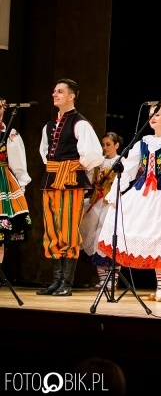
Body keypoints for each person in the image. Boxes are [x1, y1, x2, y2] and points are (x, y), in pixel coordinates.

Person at [97, 101, 161, 301]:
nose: (153, 117)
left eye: (158, 114)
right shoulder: (142, 142)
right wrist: (116, 191)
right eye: (151, 114)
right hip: (143, 192)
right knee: (122, 218)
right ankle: (113, 279)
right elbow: (128, 168)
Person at [37, 79, 104, 296]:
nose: (54, 94)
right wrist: (56, 167)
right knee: (52, 228)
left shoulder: (80, 123)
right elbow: (44, 153)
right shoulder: (48, 126)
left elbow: (94, 154)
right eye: (54, 91)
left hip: (71, 181)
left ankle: (66, 281)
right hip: (52, 179)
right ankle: (56, 280)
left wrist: (73, 167)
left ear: (71, 96)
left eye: (60, 91)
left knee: (68, 228)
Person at [79, 131, 124, 290]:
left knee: (111, 242)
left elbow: (124, 183)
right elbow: (91, 180)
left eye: (108, 144)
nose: (105, 148)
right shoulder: (99, 162)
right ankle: (103, 279)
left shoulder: (121, 161)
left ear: (117, 145)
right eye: (103, 145)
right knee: (95, 240)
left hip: (112, 205)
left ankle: (113, 281)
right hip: (97, 203)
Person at [0, 98, 32, 266]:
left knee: (1, 234)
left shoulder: (10, 134)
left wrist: (21, 187)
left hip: (2, 183)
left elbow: (19, 165)